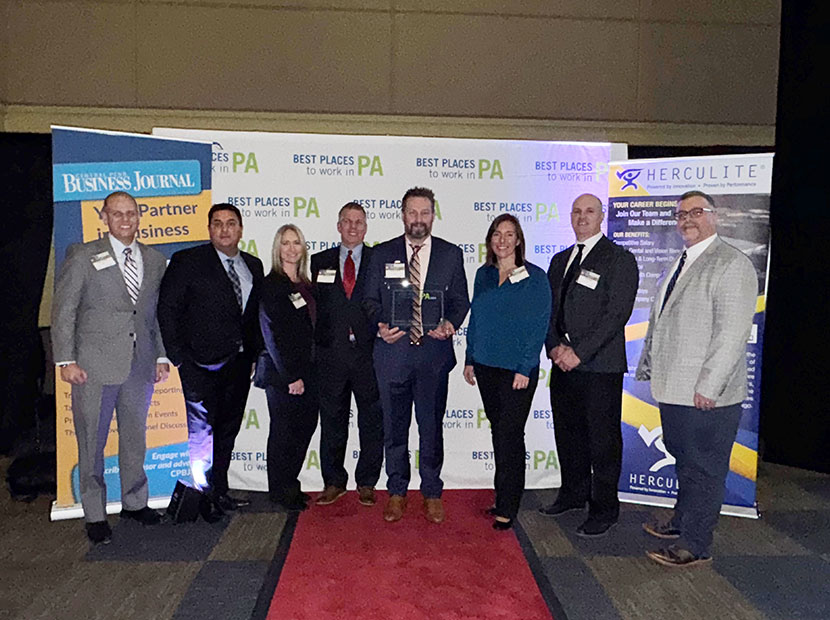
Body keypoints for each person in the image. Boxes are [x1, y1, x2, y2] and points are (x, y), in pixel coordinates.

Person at [636, 190, 757, 567]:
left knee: (704, 469)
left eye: (696, 212)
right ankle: (683, 522)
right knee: (686, 461)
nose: (687, 219)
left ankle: (695, 543)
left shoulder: (731, 264)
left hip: (706, 395)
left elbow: (731, 333)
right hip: (675, 389)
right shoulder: (683, 260)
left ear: (714, 217)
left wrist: (710, 385)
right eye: (681, 214)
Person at [52, 191, 168, 544]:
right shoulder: (84, 256)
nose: (125, 220)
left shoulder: (155, 259)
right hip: (93, 366)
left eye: (131, 213)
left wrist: (161, 356)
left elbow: (153, 316)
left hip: (140, 363)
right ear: (104, 217)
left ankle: (135, 502)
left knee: (135, 438)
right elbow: (64, 310)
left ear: (139, 216)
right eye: (117, 214)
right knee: (92, 442)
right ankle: (95, 512)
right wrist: (65, 360)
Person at [363, 187, 470, 524]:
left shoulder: (451, 255)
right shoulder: (381, 253)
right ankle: (396, 491)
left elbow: (460, 301)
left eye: (425, 213)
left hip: (433, 358)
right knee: (394, 428)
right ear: (403, 214)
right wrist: (380, 325)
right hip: (392, 356)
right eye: (412, 212)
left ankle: (432, 492)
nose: (418, 219)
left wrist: (451, 324)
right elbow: (369, 301)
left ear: (433, 216)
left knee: (431, 428)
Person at [539, 193, 639, 538]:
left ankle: (604, 509)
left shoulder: (619, 259)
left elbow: (616, 315)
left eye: (590, 211)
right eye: (577, 211)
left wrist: (578, 352)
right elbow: (548, 312)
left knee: (603, 441)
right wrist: (554, 348)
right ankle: (572, 494)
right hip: (562, 365)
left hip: (599, 367)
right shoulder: (560, 259)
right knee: (568, 435)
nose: (583, 217)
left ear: (602, 216)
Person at [157, 203, 263, 518]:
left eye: (231, 223)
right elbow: (167, 309)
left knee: (228, 430)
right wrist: (177, 358)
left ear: (241, 230)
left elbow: (254, 316)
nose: (225, 229)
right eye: (217, 223)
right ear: (209, 229)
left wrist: (255, 354)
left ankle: (220, 490)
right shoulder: (187, 261)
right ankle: (204, 498)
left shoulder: (253, 266)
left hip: (240, 363)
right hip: (199, 364)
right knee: (202, 434)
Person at [463, 214, 551, 530]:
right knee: (498, 432)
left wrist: (525, 366)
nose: (502, 239)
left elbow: (538, 325)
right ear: (490, 240)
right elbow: (477, 320)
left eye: (509, 234)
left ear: (518, 240)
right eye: (497, 234)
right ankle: (503, 496)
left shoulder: (535, 277)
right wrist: (469, 358)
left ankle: (509, 505)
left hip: (517, 371)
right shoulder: (483, 275)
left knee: (510, 435)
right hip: (486, 366)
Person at [311, 203, 383, 507]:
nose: (353, 227)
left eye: (359, 222)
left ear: (366, 228)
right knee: (332, 421)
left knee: (371, 420)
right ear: (338, 226)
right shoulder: (318, 261)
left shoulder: (379, 260)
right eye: (347, 222)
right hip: (331, 356)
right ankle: (333, 481)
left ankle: (367, 481)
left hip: (369, 354)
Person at [256, 224, 319, 511]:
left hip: (309, 372)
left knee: (304, 428)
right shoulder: (271, 284)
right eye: (286, 243)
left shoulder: (307, 284)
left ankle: (290, 483)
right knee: (283, 432)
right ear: (277, 249)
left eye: (297, 243)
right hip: (284, 375)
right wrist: (291, 376)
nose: (292, 248)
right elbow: (271, 334)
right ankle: (280, 490)